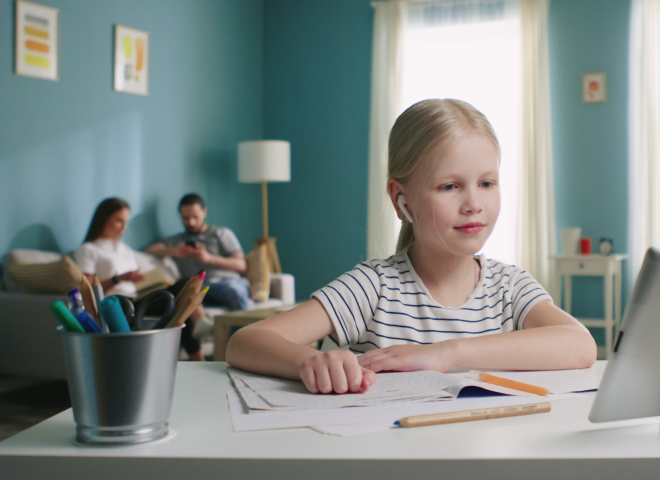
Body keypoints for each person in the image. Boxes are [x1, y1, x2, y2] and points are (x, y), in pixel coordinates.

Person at [226, 99, 597, 394]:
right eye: (449, 186)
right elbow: (246, 341)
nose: (473, 203)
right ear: (402, 199)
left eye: (487, 183)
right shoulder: (375, 286)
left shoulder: (510, 287)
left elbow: (580, 347)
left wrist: (445, 354)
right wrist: (308, 361)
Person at [74, 198, 206, 361]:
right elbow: (87, 291)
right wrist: (119, 279)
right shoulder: (88, 250)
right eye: (118, 221)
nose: (123, 227)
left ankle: (198, 348)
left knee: (179, 298)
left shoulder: (125, 249)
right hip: (117, 303)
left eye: (126, 222)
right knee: (178, 299)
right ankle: (198, 352)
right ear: (103, 219)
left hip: (138, 298)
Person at [146, 193, 253, 312]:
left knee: (234, 290)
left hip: (226, 283)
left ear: (204, 211)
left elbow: (241, 266)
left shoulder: (220, 233)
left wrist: (208, 258)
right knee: (184, 298)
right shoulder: (176, 240)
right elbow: (148, 251)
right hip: (199, 288)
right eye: (186, 218)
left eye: (195, 217)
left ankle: (247, 330)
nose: (191, 223)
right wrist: (175, 251)